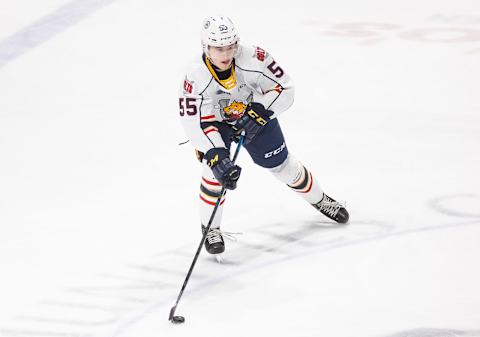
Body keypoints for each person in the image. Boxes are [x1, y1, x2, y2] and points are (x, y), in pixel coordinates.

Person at [178, 16, 349, 255]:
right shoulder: (194, 74)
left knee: (283, 166)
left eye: (230, 46)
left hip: (255, 114)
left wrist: (261, 110)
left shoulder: (254, 56)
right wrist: (214, 152)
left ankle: (320, 199)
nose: (225, 54)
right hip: (214, 124)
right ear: (205, 47)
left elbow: (285, 87)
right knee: (215, 170)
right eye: (218, 48)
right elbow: (191, 119)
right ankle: (211, 228)